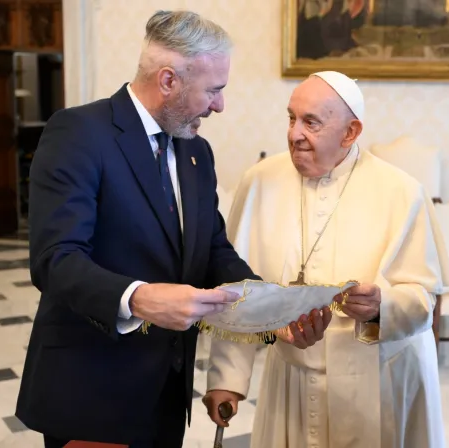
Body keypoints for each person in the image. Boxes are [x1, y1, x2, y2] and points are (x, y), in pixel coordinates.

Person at [15, 10, 263, 448]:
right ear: (168, 81)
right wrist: (140, 298)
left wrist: (269, 304)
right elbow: (55, 260)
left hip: (167, 391)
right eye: (214, 90)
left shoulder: (196, 152)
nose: (220, 105)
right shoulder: (78, 132)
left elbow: (212, 250)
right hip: (92, 392)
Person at [203, 71, 449, 448]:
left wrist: (379, 308)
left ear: (350, 132)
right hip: (292, 379)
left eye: (311, 122)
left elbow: (423, 300)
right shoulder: (260, 181)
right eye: (291, 118)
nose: (293, 133)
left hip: (376, 380)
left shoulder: (401, 192)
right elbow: (238, 291)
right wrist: (227, 380)